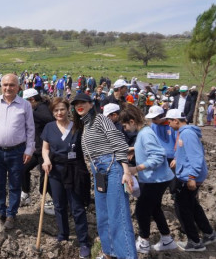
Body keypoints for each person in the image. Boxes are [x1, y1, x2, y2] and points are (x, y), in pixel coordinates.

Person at [71, 93, 136, 259]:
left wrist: (126, 171)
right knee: (103, 214)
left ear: (91, 104)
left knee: (118, 215)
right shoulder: (84, 125)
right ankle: (110, 253)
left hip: (112, 166)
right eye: (76, 103)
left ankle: (127, 256)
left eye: (83, 102)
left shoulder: (100, 119)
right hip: (98, 170)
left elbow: (119, 143)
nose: (79, 105)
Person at [119, 104, 176, 254]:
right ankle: (167, 239)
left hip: (156, 179)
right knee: (155, 208)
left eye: (125, 125)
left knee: (141, 210)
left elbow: (158, 156)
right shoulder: (144, 132)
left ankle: (143, 242)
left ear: (132, 121)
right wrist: (134, 149)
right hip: (156, 178)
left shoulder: (145, 134)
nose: (124, 129)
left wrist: (136, 168)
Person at [0, 74, 35, 230]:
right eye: (5, 85)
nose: (8, 88)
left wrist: (29, 149)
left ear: (18, 87)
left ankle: (12, 213)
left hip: (17, 151)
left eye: (12, 85)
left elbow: (30, 129)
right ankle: (0, 211)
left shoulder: (25, 105)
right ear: (1, 86)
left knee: (15, 183)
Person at [41, 97, 91, 258]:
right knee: (59, 205)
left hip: (75, 169)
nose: (59, 113)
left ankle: (84, 241)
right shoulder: (49, 127)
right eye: (56, 110)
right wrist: (46, 160)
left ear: (68, 109)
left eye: (62, 109)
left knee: (76, 206)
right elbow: (45, 149)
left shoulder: (78, 126)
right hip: (55, 170)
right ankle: (63, 234)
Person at [165, 109, 215, 251]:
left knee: (182, 208)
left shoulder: (187, 134)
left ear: (176, 121)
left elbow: (197, 156)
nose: (168, 124)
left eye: (169, 121)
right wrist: (176, 158)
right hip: (188, 173)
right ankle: (208, 233)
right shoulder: (184, 132)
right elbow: (186, 151)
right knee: (192, 204)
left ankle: (194, 242)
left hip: (189, 176)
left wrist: (192, 177)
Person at [20, 88, 56, 216]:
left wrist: (30, 113)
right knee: (23, 168)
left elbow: (51, 120)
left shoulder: (42, 108)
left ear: (32, 100)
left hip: (44, 150)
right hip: (35, 148)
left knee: (45, 177)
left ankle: (54, 202)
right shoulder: (36, 108)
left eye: (26, 102)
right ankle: (25, 193)